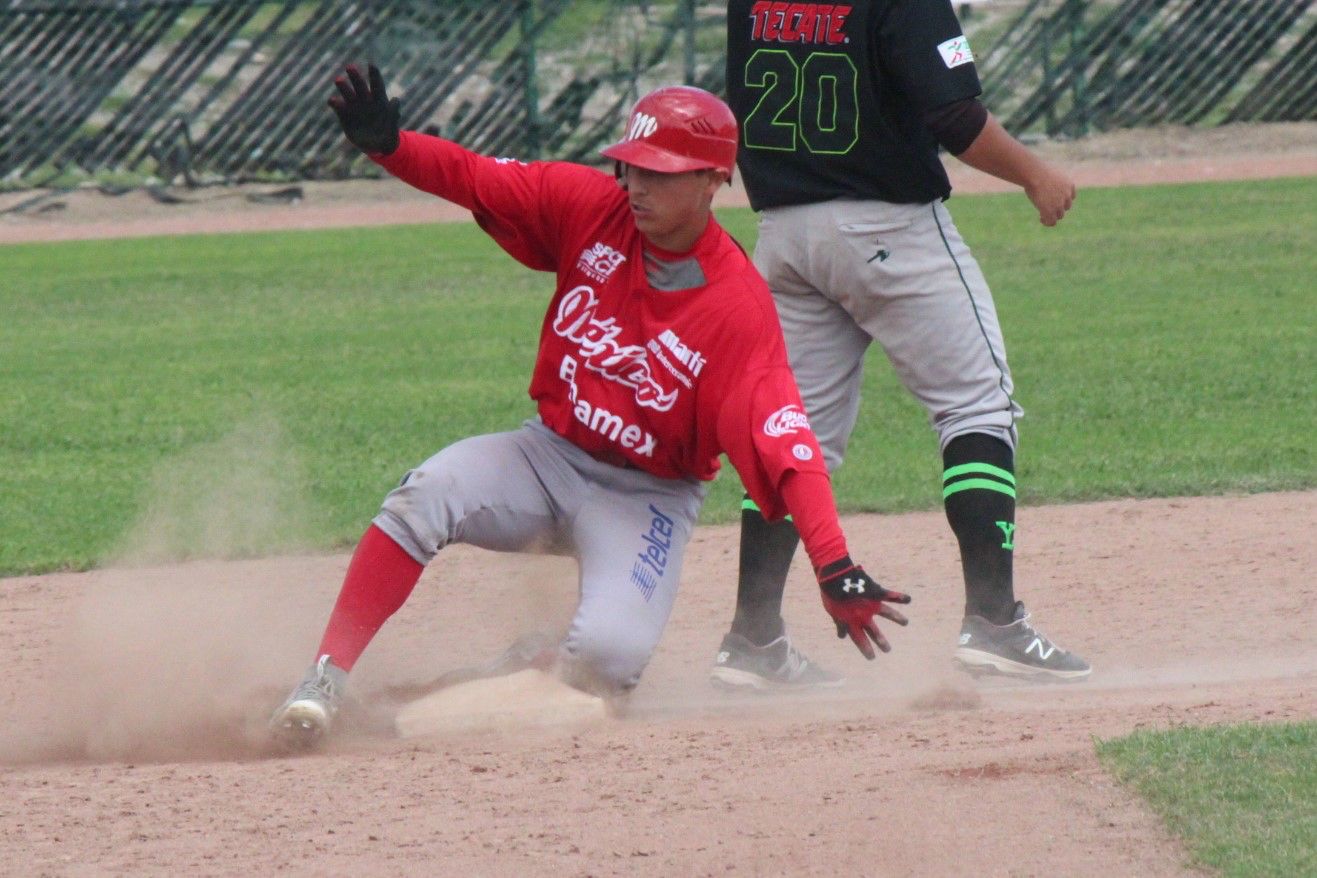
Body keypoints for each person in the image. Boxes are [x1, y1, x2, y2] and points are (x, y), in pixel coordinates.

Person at [270, 64, 913, 749]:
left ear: (711, 180)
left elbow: (788, 446)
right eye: (631, 166)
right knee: (424, 493)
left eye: (659, 172)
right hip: (545, 455)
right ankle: (324, 680)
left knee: (605, 663)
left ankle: (521, 666)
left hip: (646, 499)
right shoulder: (589, 207)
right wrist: (391, 147)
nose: (635, 184)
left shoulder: (736, 308)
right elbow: (473, 176)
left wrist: (834, 564)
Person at [709, 0, 1091, 689]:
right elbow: (953, 116)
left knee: (793, 436)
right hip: (889, 227)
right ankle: (996, 623)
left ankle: (752, 638)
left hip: (785, 237)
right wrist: (1036, 174)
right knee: (974, 407)